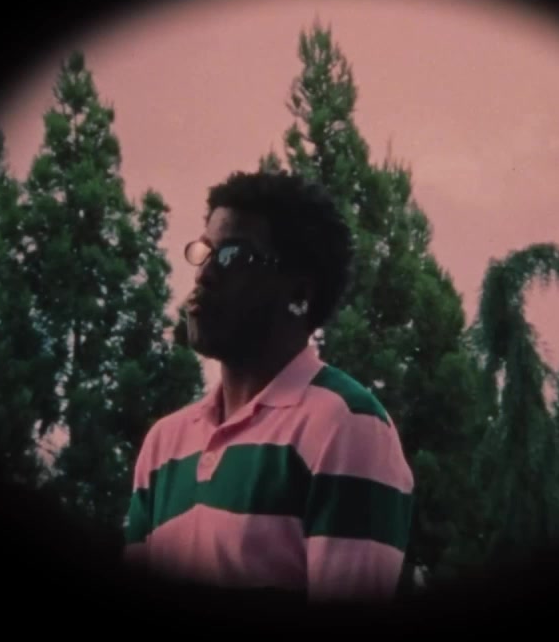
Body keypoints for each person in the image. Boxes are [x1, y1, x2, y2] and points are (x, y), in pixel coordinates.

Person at [123, 169, 414, 604]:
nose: (204, 275)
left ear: (298, 293)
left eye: (233, 256)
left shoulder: (346, 425)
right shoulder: (164, 446)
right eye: (205, 253)